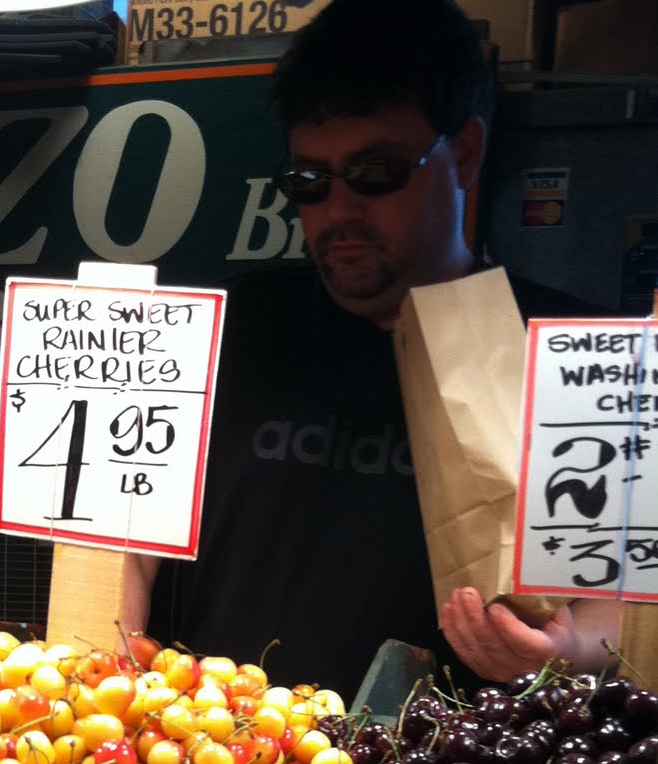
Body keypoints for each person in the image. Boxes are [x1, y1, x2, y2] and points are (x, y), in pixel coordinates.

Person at [128, 0, 621, 701]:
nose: (339, 212)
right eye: (309, 181)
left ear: (465, 153)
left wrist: (566, 653)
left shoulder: (573, 349)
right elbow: (124, 538)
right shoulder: (227, 327)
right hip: (219, 755)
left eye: (376, 173)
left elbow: (617, 607)